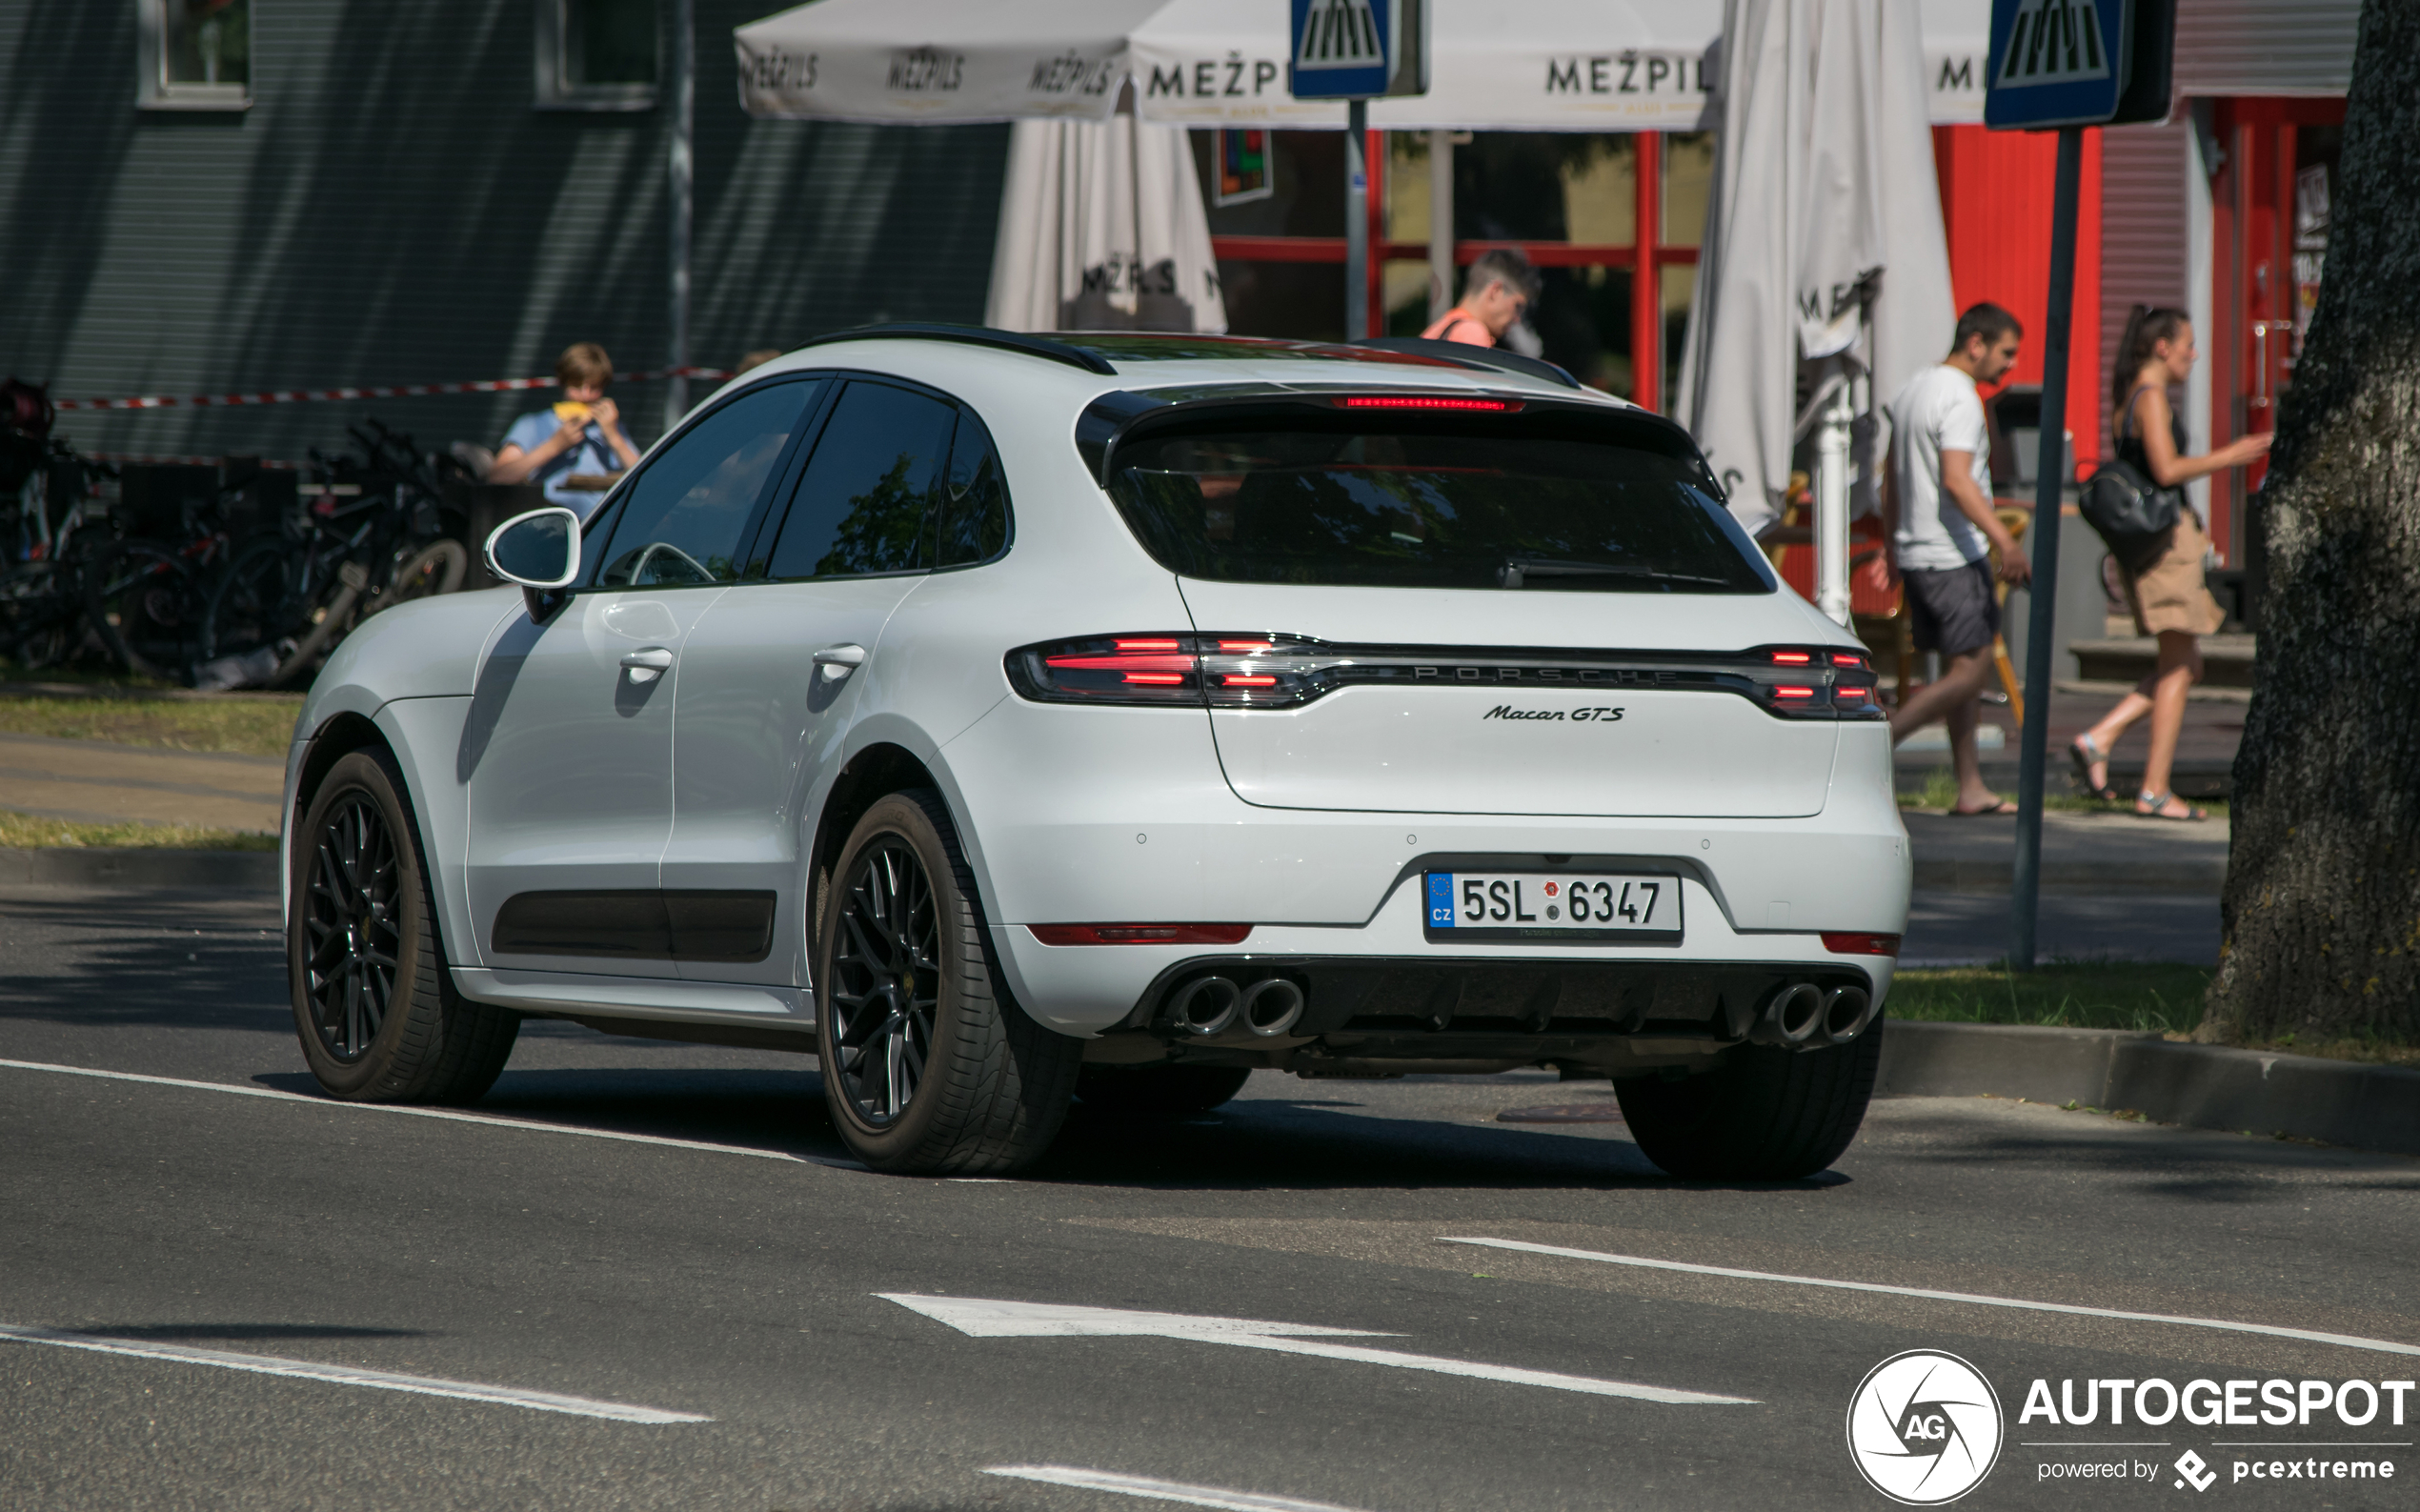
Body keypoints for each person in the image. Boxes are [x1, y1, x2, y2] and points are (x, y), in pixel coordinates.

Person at [2068, 306, 2271, 821]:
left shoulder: (2129, 395)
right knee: (2180, 665)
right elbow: (2166, 468)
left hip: (2153, 545)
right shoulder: (2151, 396)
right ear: (2162, 347)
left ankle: (2100, 737)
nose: (2194, 354)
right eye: (2187, 344)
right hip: (2165, 546)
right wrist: (2233, 455)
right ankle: (2154, 788)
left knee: (2186, 664)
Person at [1865, 304, 2032, 816]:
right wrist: (2004, 544)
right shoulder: (1959, 398)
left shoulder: (1915, 389)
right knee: (1970, 672)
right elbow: (1957, 480)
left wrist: (1894, 546)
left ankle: (1970, 786)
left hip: (1918, 553)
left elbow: (1891, 475)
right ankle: (1876, 744)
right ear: (1975, 343)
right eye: (2006, 353)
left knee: (1961, 669)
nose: (2010, 367)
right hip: (1952, 554)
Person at [490, 342, 643, 516]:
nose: (585, 396)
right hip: (554, 521)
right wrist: (554, 446)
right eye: (577, 387)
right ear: (562, 383)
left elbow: (645, 475)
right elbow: (498, 477)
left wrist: (614, 436)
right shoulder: (532, 424)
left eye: (594, 388)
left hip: (604, 521)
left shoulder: (611, 427)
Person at [1421, 249, 1540, 348]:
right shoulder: (1472, 333)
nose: (1517, 319)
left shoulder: (1436, 329)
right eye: (1517, 306)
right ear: (1495, 292)